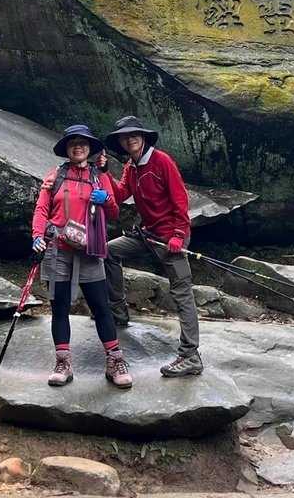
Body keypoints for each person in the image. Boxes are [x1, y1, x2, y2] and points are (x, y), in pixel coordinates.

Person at [32, 124, 132, 389]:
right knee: (60, 309)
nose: (78, 146)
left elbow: (113, 212)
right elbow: (42, 209)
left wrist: (105, 200)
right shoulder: (55, 177)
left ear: (90, 148)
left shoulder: (100, 177)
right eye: (72, 142)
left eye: (83, 142)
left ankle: (114, 361)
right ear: (67, 148)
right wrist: (37, 235)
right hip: (58, 250)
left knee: (101, 307)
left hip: (89, 251)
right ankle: (63, 363)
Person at [102, 115, 203, 377]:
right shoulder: (131, 166)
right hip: (147, 236)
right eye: (125, 136)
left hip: (171, 238)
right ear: (121, 142)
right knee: (109, 251)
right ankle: (118, 313)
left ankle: (191, 356)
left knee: (182, 293)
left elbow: (180, 199)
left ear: (143, 137)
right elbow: (121, 194)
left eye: (134, 134)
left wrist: (179, 235)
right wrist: (104, 174)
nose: (130, 139)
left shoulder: (161, 161)